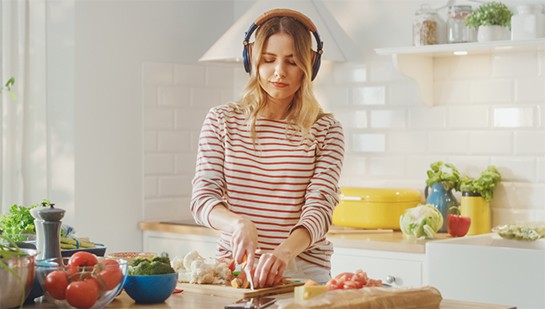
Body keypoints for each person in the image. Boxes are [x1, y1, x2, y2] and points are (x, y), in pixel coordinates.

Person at [190, 8, 345, 288]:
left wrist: (283, 252)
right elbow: (203, 200)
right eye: (268, 59)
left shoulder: (327, 130)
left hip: (302, 268)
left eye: (292, 61)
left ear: (309, 66)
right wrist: (238, 223)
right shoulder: (221, 120)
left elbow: (319, 208)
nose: (279, 72)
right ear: (252, 61)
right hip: (235, 268)